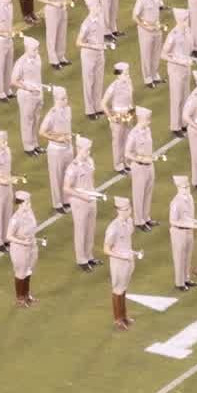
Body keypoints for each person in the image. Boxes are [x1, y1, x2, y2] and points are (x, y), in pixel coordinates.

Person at [65, 136, 100, 270]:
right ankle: (81, 259)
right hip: (79, 202)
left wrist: (92, 193)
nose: (88, 153)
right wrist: (82, 196)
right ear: (78, 149)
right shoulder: (72, 168)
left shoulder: (90, 161)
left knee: (91, 229)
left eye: (89, 150)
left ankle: (89, 256)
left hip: (91, 199)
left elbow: (91, 180)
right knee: (81, 230)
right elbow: (66, 188)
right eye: (86, 150)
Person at [105, 195, 138, 329]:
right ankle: (118, 319)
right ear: (118, 210)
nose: (127, 212)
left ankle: (124, 316)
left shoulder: (130, 221)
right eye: (124, 209)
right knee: (117, 290)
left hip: (129, 259)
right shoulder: (113, 228)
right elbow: (106, 249)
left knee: (124, 288)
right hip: (118, 262)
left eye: (128, 209)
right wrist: (121, 256)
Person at [168, 174, 197, 291]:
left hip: (189, 232)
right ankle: (179, 283)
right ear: (178, 188)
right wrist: (189, 225)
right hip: (178, 233)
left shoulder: (190, 198)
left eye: (187, 187)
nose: (186, 189)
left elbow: (189, 217)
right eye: (184, 187)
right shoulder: (175, 202)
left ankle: (186, 279)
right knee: (179, 257)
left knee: (187, 257)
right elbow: (172, 221)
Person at [8, 190, 41, 307]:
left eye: (29, 202)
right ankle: (20, 298)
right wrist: (22, 241)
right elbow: (9, 236)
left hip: (31, 246)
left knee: (28, 270)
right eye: (26, 203)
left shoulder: (29, 213)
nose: (29, 204)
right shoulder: (15, 219)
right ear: (20, 204)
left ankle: (27, 295)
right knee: (20, 272)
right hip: (19, 249)